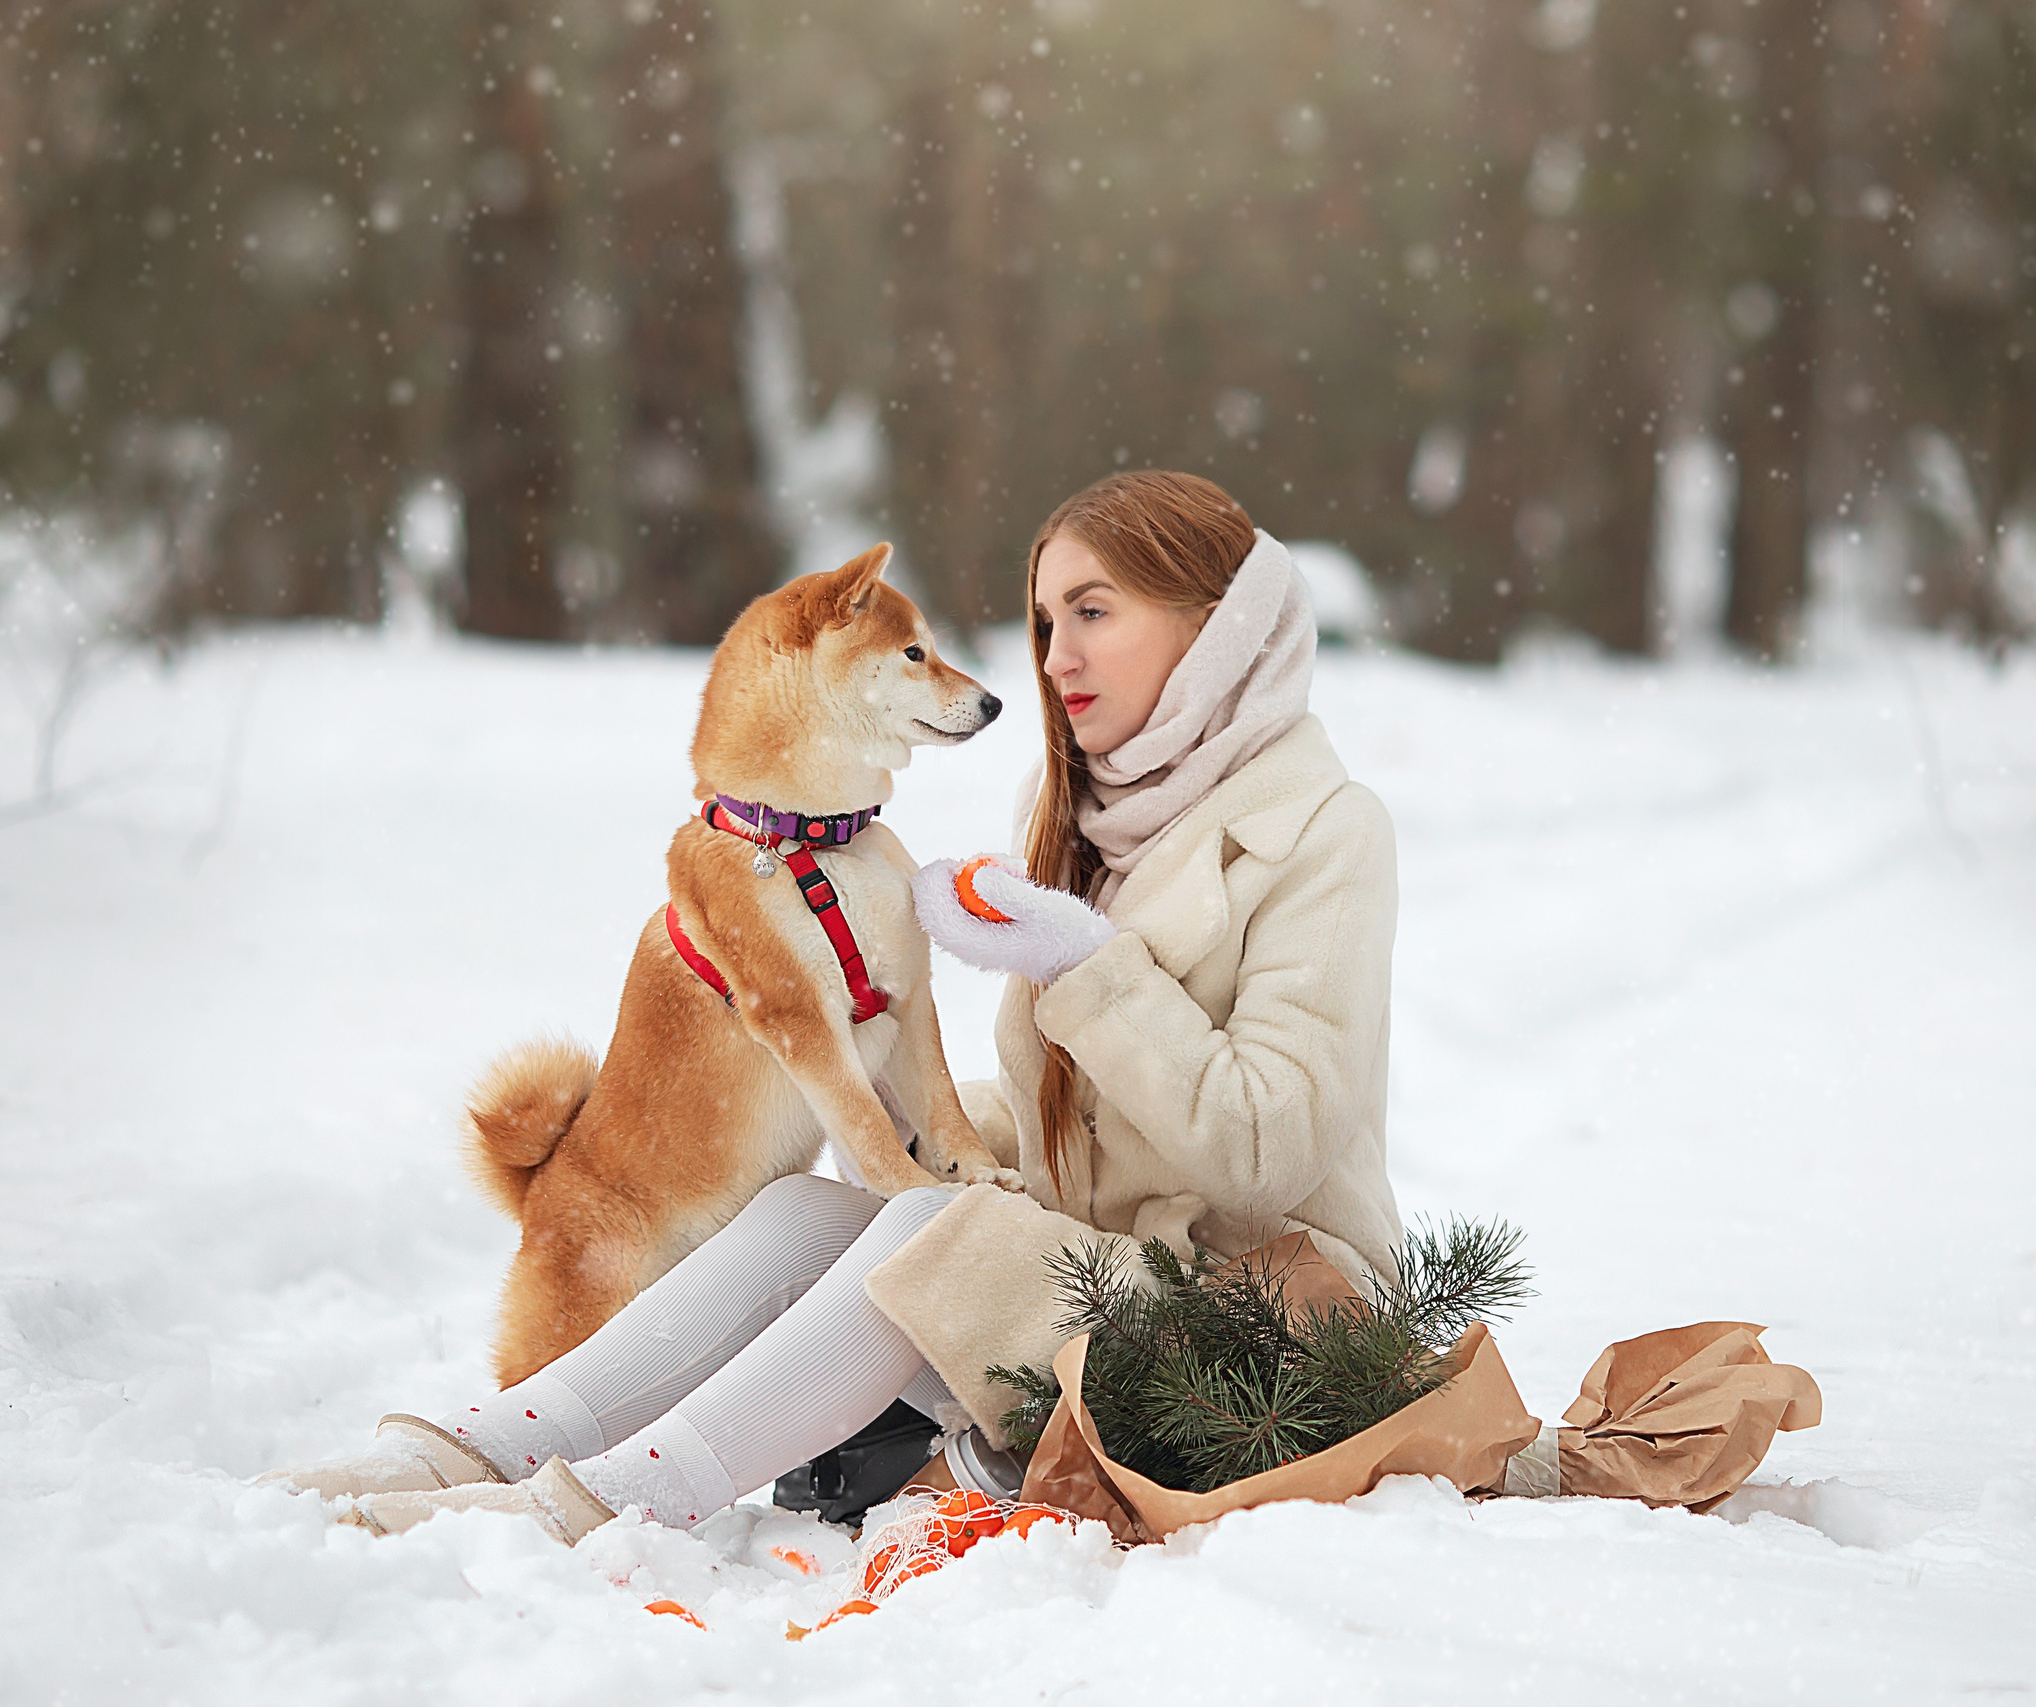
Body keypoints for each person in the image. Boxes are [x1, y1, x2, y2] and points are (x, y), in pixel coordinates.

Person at [258, 470, 1404, 1542]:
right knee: (813, 1215)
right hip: (1092, 1289)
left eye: (1094, 612)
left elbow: (1264, 1149)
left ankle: (609, 1503)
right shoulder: (1079, 816)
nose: (1055, 657)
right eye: (1046, 621)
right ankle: (471, 1451)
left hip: (1260, 1335)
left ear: (1219, 623)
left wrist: (1085, 966)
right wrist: (950, 1140)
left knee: (920, 1228)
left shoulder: (1323, 833)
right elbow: (1091, 1135)